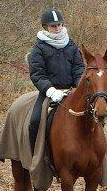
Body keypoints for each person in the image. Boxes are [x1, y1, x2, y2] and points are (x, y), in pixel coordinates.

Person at [27, 8, 85, 154]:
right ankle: (36, 156)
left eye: (59, 24)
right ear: (46, 27)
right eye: (53, 26)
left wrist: (78, 86)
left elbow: (79, 68)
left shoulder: (71, 45)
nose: (57, 28)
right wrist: (51, 91)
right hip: (48, 92)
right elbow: (37, 74)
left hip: (71, 90)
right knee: (34, 121)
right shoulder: (38, 49)